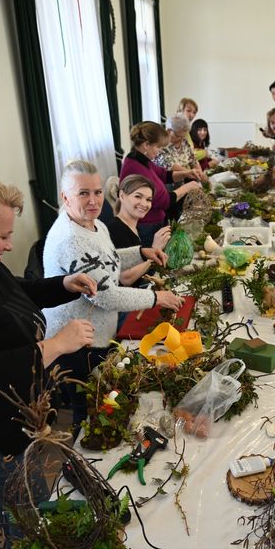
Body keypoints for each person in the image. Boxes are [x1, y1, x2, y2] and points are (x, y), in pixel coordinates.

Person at [0, 174, 98, 531]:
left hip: (17, 424)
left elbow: (18, 291)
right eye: (2, 236)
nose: (10, 245)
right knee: (34, 512)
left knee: (13, 509)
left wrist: (64, 285)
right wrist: (55, 346)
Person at [42, 160, 183, 427]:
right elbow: (104, 295)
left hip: (96, 333)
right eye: (83, 193)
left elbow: (106, 260)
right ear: (65, 197)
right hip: (78, 344)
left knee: (103, 401)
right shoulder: (70, 239)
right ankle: (84, 463)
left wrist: (140, 252)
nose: (94, 200)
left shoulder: (95, 223)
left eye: (96, 192)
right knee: (89, 413)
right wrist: (155, 298)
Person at [119, 121, 201, 245]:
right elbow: (164, 201)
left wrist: (186, 173)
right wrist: (188, 187)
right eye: (158, 147)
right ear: (146, 145)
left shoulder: (142, 160)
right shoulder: (135, 168)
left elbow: (164, 174)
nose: (159, 151)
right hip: (146, 228)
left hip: (154, 224)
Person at [107, 174, 170, 287]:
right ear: (122, 196)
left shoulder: (132, 227)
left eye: (148, 199)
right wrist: (154, 250)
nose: (144, 204)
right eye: (138, 196)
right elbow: (125, 278)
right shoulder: (115, 229)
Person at [154, 113, 206, 181]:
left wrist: (200, 173)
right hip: (168, 185)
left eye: (183, 136)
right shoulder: (161, 145)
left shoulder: (184, 142)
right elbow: (170, 165)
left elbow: (193, 160)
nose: (181, 139)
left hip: (185, 182)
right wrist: (191, 173)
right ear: (169, 130)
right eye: (178, 136)